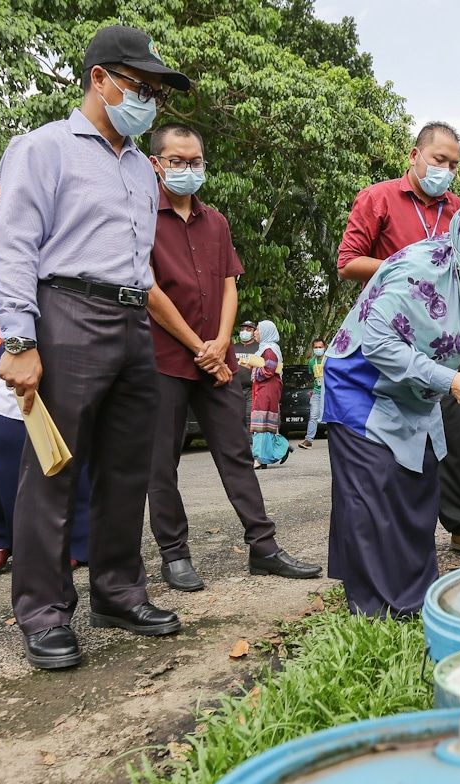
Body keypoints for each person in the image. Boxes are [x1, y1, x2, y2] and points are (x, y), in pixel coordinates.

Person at [0, 24, 191, 670]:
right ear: (99, 79)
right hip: (67, 311)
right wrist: (18, 337)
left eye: (157, 93)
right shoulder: (43, 149)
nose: (149, 103)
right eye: (140, 87)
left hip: (134, 320)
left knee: (128, 465)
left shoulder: (140, 167)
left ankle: (117, 590)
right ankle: (45, 611)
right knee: (55, 470)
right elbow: (14, 244)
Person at [324, 198, 460, 617]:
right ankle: (376, 608)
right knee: (374, 493)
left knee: (417, 485)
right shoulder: (419, 270)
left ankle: (415, 594)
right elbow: (378, 342)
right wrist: (447, 380)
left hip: (413, 393)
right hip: (364, 386)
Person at [145, 123, 320, 592]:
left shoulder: (216, 222)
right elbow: (149, 291)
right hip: (163, 358)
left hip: (217, 359)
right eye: (177, 161)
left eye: (195, 161)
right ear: (156, 164)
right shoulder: (140, 216)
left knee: (236, 453)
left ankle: (263, 548)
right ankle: (174, 555)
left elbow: (227, 284)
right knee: (161, 462)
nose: (187, 169)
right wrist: (198, 345)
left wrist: (221, 341)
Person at [337, 121, 460, 560]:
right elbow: (348, 262)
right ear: (415, 156)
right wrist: (411, 267)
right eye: (438, 159)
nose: (445, 169)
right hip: (394, 336)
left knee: (457, 430)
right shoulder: (378, 198)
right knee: (396, 440)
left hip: (447, 341)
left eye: (453, 164)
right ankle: (404, 534)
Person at [0, 182, 90, 575]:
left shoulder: (55, 247)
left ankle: (75, 539)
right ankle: (1, 538)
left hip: (61, 365)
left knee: (66, 455)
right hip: (0, 371)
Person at [250, 320, 290, 467]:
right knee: (263, 421)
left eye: (258, 330)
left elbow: (269, 369)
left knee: (262, 420)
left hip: (267, 387)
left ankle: (260, 457)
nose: (255, 332)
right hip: (265, 387)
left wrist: (255, 371)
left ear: (266, 332)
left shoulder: (269, 349)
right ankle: (269, 453)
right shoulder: (266, 348)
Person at [299, 338, 326, 449]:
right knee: (313, 416)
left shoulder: (329, 359)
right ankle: (308, 440)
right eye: (316, 347)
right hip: (317, 392)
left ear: (325, 347)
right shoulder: (311, 362)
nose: (318, 349)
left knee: (334, 416)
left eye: (320, 347)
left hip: (329, 392)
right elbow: (313, 377)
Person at [233, 320, 259, 431]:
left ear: (254, 332)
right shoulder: (233, 347)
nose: (245, 331)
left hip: (251, 389)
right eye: (243, 329)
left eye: (249, 329)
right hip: (234, 389)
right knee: (235, 417)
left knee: (249, 417)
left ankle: (250, 445)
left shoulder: (259, 348)